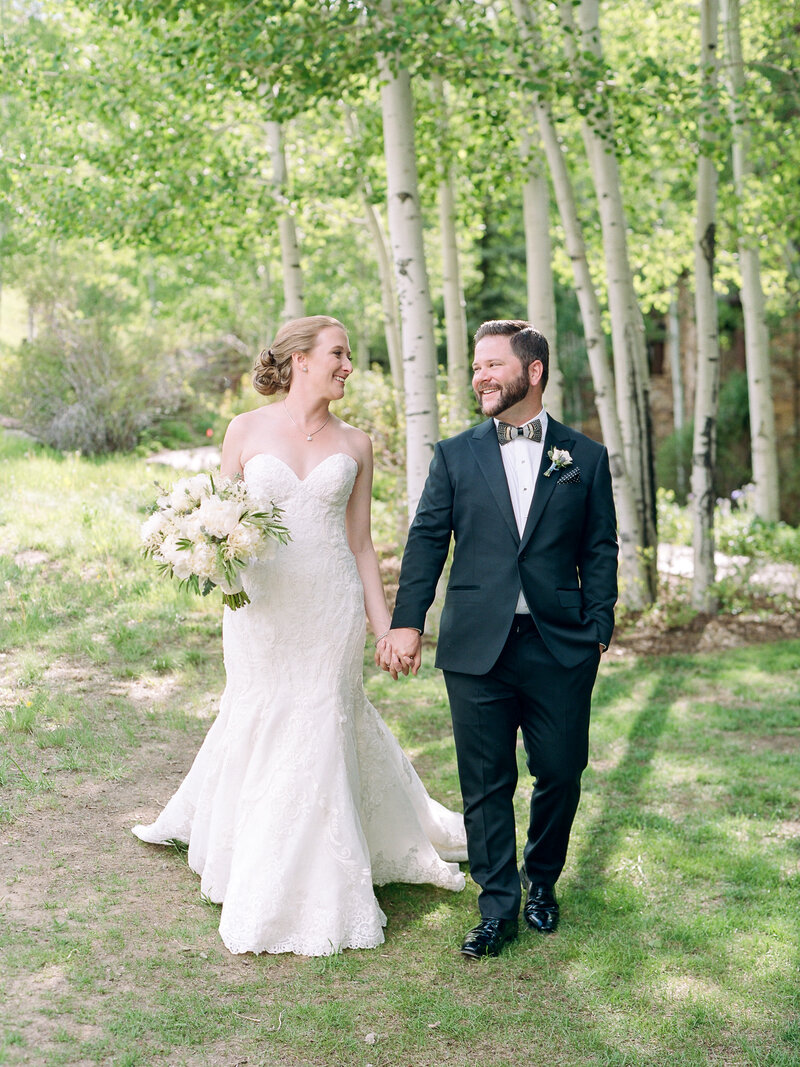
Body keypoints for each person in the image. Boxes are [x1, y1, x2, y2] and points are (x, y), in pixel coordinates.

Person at [133, 315, 467, 957]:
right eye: (339, 354)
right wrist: (206, 553)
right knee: (261, 714)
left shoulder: (358, 444)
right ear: (299, 359)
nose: (347, 365)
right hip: (261, 609)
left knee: (320, 719)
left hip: (330, 606)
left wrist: (388, 628)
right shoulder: (244, 430)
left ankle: (316, 871)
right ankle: (249, 844)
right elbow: (215, 517)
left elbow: (362, 544)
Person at [378, 320, 618, 959]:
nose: (479, 376)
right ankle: (498, 907)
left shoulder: (583, 458)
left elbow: (599, 547)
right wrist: (408, 621)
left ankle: (542, 885)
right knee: (485, 781)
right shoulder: (455, 455)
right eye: (475, 367)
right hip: (476, 644)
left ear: (532, 372)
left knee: (561, 773)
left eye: (491, 365)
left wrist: (599, 625)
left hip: (560, 641)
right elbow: (427, 539)